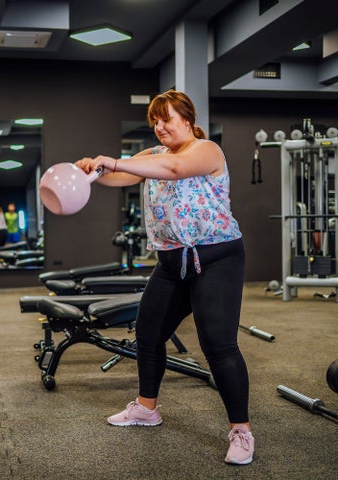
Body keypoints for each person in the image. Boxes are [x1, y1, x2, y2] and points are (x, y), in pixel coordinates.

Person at [74, 90, 253, 465]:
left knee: (218, 344)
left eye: (166, 119)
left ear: (187, 119)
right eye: (154, 120)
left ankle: (241, 430)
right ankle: (146, 408)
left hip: (216, 258)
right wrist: (92, 172)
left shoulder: (206, 150)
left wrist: (115, 160)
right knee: (148, 332)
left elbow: (173, 170)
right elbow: (118, 178)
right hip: (172, 263)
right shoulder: (154, 155)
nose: (159, 127)